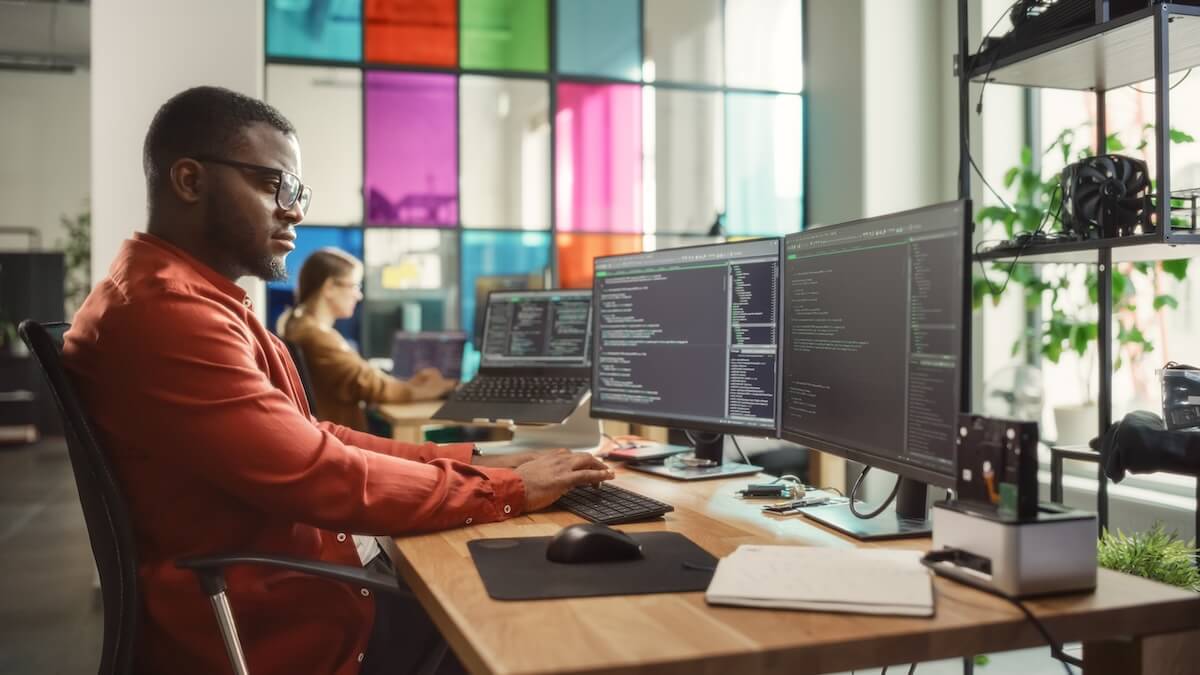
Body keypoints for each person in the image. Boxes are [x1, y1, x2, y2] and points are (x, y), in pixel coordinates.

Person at [63, 85, 612, 675]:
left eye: (298, 191)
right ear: (191, 181)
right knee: (539, 622)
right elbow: (321, 473)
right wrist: (505, 491)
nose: (296, 210)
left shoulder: (195, 297)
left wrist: (482, 457)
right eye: (276, 185)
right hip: (286, 627)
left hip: (292, 587)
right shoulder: (169, 313)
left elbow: (316, 436)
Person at [277, 248, 455, 430]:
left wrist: (410, 384)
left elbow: (361, 376)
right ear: (329, 287)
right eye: (354, 286)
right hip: (342, 442)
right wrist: (440, 389)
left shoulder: (299, 326)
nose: (359, 295)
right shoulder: (315, 336)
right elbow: (370, 385)